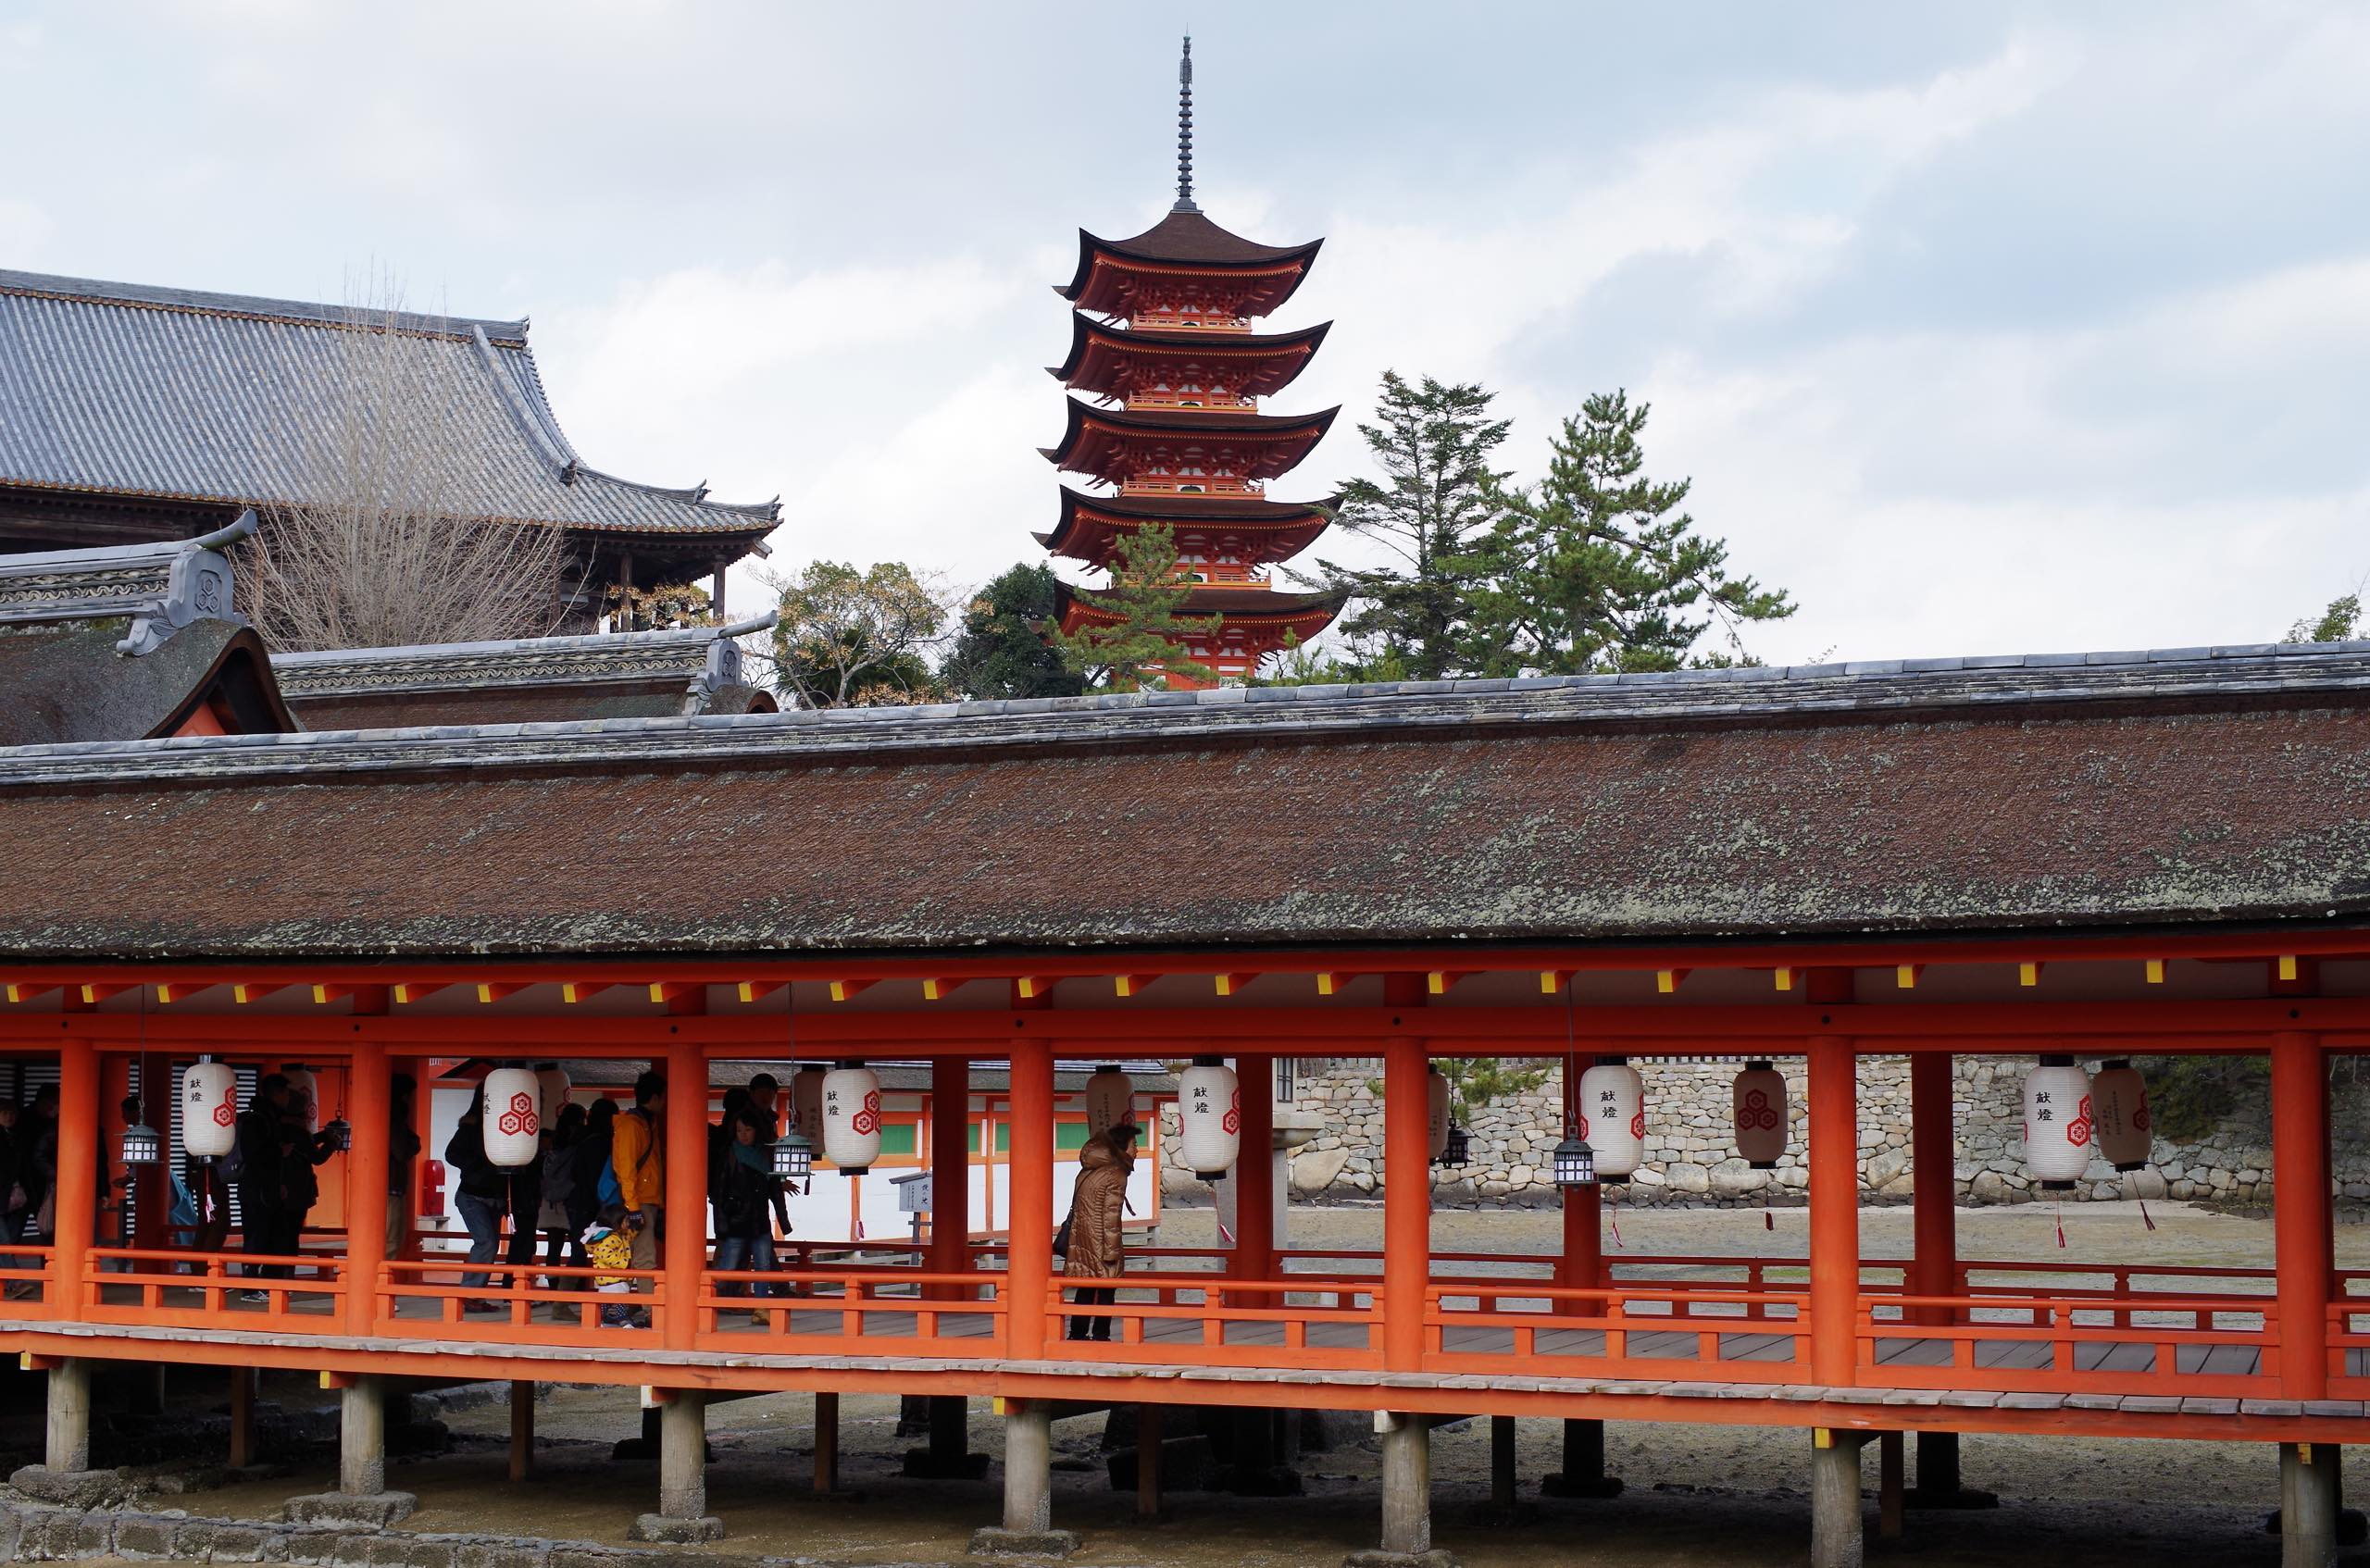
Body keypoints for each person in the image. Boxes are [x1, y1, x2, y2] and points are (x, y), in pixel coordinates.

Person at [1062, 1121, 1138, 1341]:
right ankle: (1101, 1335)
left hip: (1081, 1240)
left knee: (1085, 1288)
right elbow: (1110, 1217)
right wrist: (1112, 1252)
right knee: (1106, 1290)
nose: (1136, 1149)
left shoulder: (1087, 1171)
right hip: (1103, 1241)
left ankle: (1077, 1333)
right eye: (1133, 1144)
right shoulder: (1116, 1174)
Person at [709, 1104, 782, 1317]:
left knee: (763, 1266)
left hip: (760, 1220)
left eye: (748, 1130)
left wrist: (783, 1220)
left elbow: (775, 1189)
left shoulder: (766, 1155)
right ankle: (717, 1302)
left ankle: (761, 1307)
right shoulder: (730, 1154)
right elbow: (720, 1190)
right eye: (740, 1130)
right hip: (736, 1220)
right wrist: (722, 1223)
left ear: (756, 1130)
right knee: (729, 1265)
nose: (743, 1135)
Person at [443, 1089, 507, 1313]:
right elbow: (451, 1154)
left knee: (490, 1245)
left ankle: (476, 1296)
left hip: (495, 1196)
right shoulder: (471, 1127)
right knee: (486, 1242)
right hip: (472, 1194)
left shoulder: (507, 1126)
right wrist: (478, 1167)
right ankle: (469, 1294)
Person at [610, 1072, 666, 1303]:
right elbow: (627, 1170)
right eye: (663, 1098)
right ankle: (650, 1309)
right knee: (644, 1256)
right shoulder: (632, 1125)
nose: (664, 1103)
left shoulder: (645, 1123)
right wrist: (633, 1208)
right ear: (654, 1098)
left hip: (647, 1198)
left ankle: (633, 1305)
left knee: (638, 1256)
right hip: (638, 1201)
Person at [232, 1074, 289, 1297]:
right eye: (285, 1093)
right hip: (256, 1190)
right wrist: (279, 1152)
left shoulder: (269, 1117)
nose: (287, 1098)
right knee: (257, 1238)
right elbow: (252, 1153)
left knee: (272, 1236)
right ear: (276, 1094)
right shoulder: (258, 1120)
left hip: (268, 1189)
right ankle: (250, 1287)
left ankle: (267, 1284)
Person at [275, 1081, 340, 1275]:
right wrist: (331, 1144)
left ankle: (276, 1272)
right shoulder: (298, 1130)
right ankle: (286, 1273)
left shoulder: (277, 1126)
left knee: (279, 1232)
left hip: (275, 1186)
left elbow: (303, 1144)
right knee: (291, 1234)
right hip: (296, 1189)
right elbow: (316, 1157)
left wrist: (321, 1137)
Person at [538, 1102, 587, 1283]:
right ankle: (574, 1288)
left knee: (554, 1248)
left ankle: (553, 1289)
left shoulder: (552, 1147)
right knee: (579, 1246)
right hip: (573, 1200)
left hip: (551, 1203)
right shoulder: (579, 1145)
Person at [581, 1202, 638, 1328]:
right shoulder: (611, 1238)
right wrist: (624, 1263)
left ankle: (603, 1318)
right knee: (620, 1299)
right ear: (617, 1221)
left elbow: (629, 1236)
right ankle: (623, 1320)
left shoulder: (617, 1236)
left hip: (607, 1276)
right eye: (626, 1220)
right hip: (613, 1275)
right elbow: (604, 1253)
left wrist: (636, 1227)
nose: (628, 1224)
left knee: (607, 1299)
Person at [387, 1074, 421, 1263]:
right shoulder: (395, 1120)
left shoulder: (393, 1118)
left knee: (392, 1238)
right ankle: (379, 1282)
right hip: (390, 1186)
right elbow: (401, 1151)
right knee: (391, 1239)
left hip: (390, 1185)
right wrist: (414, 1144)